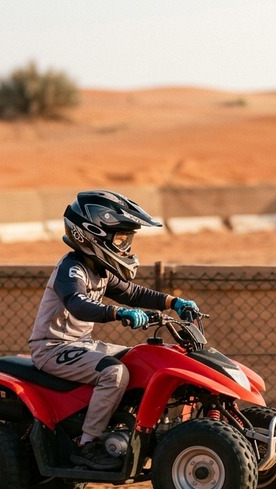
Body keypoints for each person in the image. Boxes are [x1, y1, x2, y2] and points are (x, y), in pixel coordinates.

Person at [28, 190, 199, 470]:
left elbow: (132, 293)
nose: (124, 246)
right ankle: (88, 444)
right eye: (120, 239)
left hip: (81, 345)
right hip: (52, 348)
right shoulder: (71, 269)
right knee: (113, 372)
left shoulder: (101, 271)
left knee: (145, 359)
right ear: (92, 234)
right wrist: (117, 313)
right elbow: (77, 304)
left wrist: (173, 302)